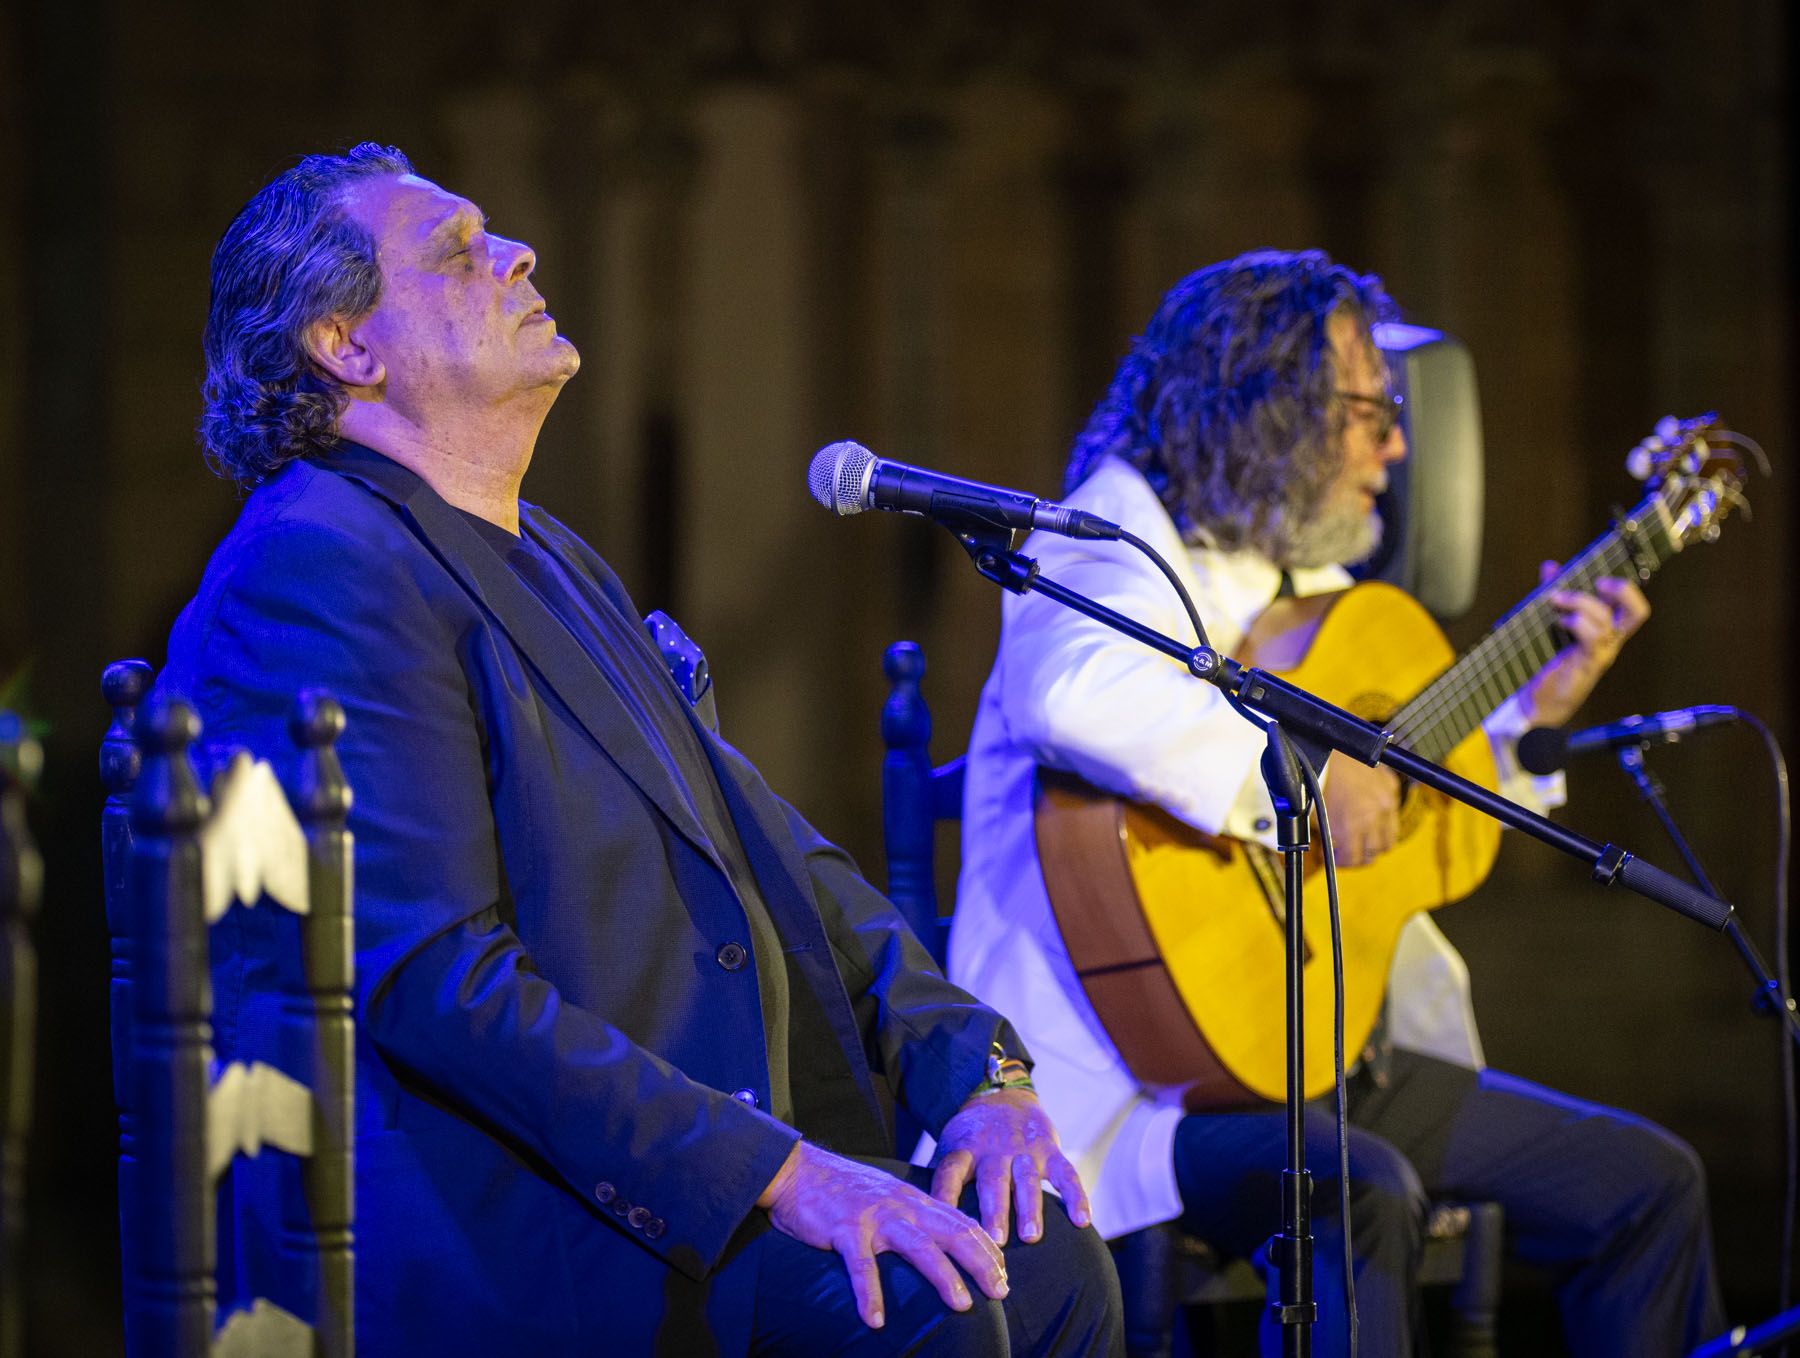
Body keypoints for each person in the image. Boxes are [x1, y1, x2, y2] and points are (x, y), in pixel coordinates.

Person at [157, 143, 1122, 1357]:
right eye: (457, 252)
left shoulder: (552, 554)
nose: (517, 251)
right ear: (348, 348)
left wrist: (981, 1075)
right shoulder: (317, 561)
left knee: (1053, 1268)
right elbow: (436, 979)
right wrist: (780, 1171)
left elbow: (783, 856)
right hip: (525, 1221)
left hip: (684, 1180)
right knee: (939, 1309)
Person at [948, 249, 1724, 1355]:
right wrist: (1303, 784)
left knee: (1647, 1181)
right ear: (1268, 405)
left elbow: (1413, 826)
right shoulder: (1111, 531)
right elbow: (1073, 690)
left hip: (1318, 1047)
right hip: (1136, 1082)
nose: (1396, 447)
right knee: (1364, 1186)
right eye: (1371, 412)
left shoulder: (1306, 584)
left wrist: (1530, 717)